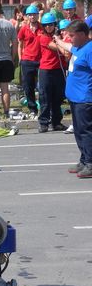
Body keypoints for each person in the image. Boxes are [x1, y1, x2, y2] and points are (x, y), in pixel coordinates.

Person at [55, 20, 92, 177]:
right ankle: (84, 160)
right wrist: (57, 40)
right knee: (79, 131)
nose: (69, 38)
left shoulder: (89, 50)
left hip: (85, 99)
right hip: (75, 98)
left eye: (72, 35)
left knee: (86, 132)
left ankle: (90, 163)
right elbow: (68, 46)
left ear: (82, 34)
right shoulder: (78, 47)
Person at [36, 14, 67, 132]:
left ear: (55, 25)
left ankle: (56, 122)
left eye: (51, 25)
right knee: (45, 97)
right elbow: (58, 48)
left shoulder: (58, 37)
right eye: (46, 25)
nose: (48, 27)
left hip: (59, 69)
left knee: (57, 97)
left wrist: (60, 39)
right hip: (46, 70)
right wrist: (60, 41)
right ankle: (44, 123)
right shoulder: (43, 37)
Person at [17, 4, 42, 118]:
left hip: (40, 60)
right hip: (27, 60)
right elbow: (20, 44)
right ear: (27, 16)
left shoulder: (42, 28)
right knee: (28, 86)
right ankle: (32, 109)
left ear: (37, 15)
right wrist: (20, 58)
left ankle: (43, 107)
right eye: (30, 15)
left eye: (34, 14)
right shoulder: (24, 28)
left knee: (42, 86)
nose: (32, 17)